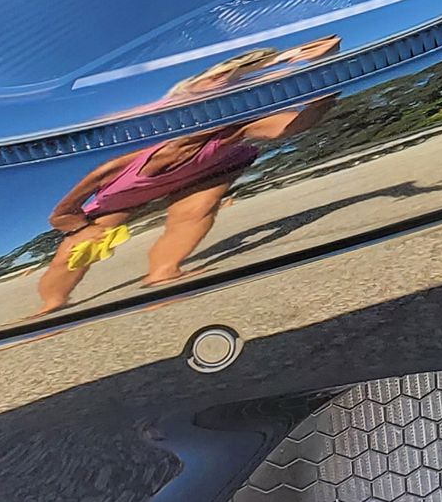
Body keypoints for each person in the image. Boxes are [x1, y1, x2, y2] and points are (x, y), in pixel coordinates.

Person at [36, 38, 341, 313]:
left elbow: (299, 124)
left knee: (193, 211)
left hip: (206, 169)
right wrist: (82, 229)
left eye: (230, 94)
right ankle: (52, 304)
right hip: (127, 189)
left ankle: (163, 272)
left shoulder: (237, 127)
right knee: (76, 251)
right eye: (208, 94)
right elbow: (61, 214)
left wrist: (323, 70)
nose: (215, 107)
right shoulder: (128, 153)